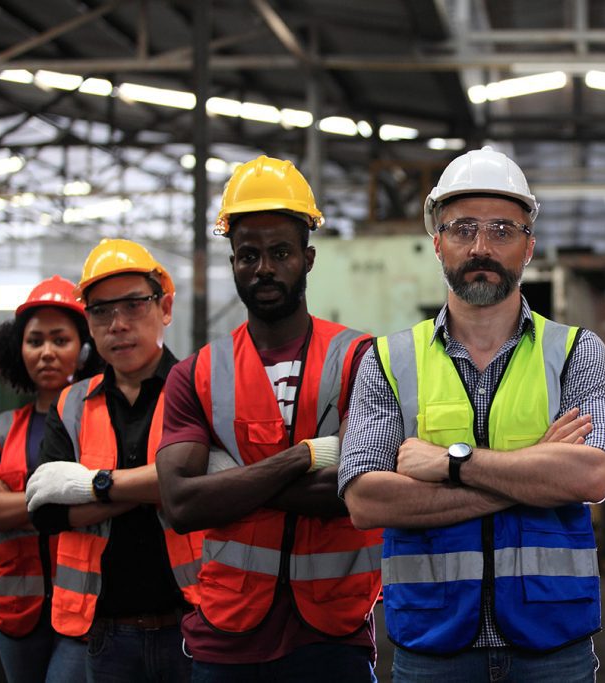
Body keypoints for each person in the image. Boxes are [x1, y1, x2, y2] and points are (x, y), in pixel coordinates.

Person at [340, 146, 605, 682]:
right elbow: (365, 498)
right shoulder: (388, 359)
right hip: (432, 645)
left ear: (529, 246)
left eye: (501, 230)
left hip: (552, 645)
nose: (481, 247)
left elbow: (592, 474)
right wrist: (536, 466)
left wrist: (451, 462)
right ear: (437, 241)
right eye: (463, 228)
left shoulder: (576, 352)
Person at [155, 155, 383, 682]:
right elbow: (180, 505)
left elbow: (352, 491)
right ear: (232, 261)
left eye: (280, 252)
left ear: (307, 258)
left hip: (334, 632)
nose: (263, 268)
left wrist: (227, 478)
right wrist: (303, 458)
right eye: (247, 255)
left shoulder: (360, 359)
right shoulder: (196, 374)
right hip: (227, 635)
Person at [24, 239, 202, 682]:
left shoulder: (200, 390)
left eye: (133, 305)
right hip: (103, 634)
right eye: (102, 311)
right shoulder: (71, 405)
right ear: (89, 321)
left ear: (165, 307)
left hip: (192, 623)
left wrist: (93, 485)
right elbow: (48, 512)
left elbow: (201, 486)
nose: (118, 324)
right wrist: (154, 487)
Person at [0, 276, 102, 683]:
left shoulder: (99, 425)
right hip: (14, 608)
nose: (46, 352)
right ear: (19, 349)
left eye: (59, 340)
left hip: (84, 609)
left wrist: (8, 502)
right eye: (35, 340)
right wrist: (62, 500)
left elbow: (104, 498)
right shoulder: (2, 430)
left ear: (82, 350)